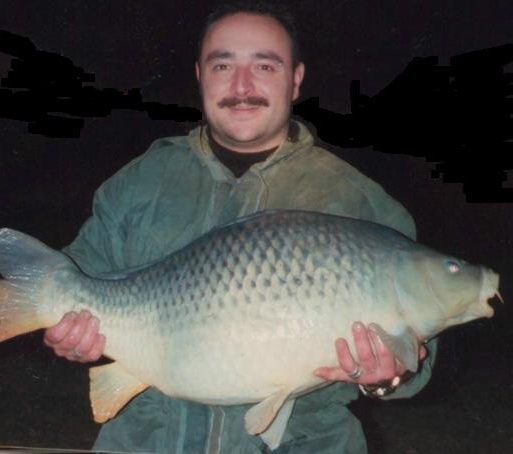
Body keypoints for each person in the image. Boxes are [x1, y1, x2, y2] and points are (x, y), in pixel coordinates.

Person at [44, 2, 436, 453]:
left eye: (265, 65)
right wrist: (67, 335)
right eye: (223, 64)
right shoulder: (142, 182)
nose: (242, 86)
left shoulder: (358, 201)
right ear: (200, 75)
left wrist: (391, 375)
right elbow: (77, 279)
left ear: (295, 79)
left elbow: (420, 360)